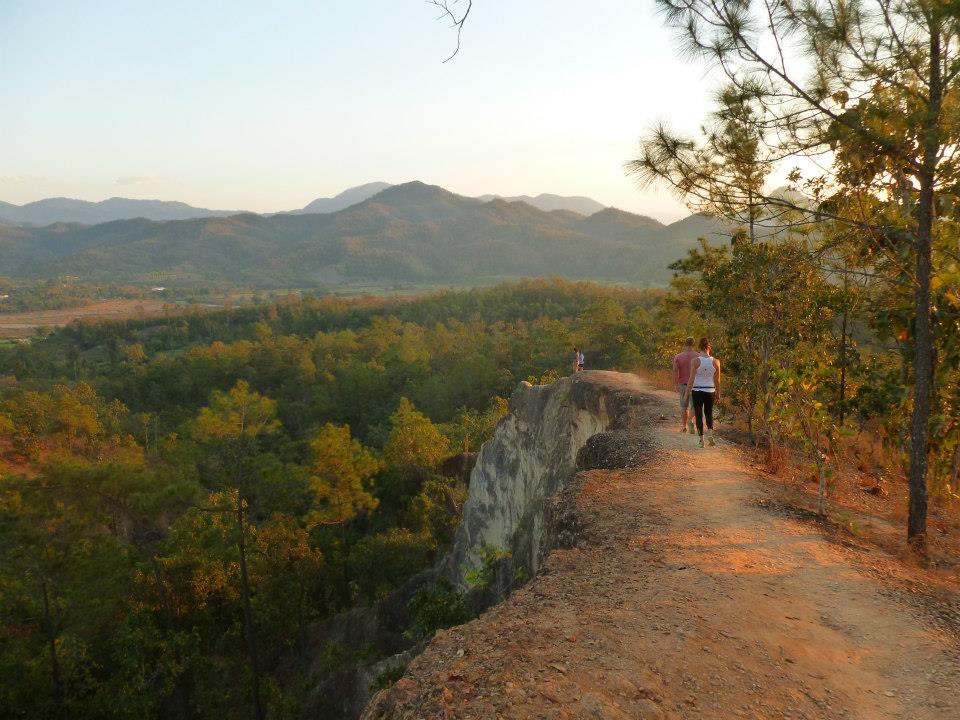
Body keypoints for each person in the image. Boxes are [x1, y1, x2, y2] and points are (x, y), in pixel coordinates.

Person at [684, 337, 721, 448]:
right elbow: (717, 380)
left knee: (699, 415)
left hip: (697, 390)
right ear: (709, 347)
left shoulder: (695, 361)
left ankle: (701, 441)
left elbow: (691, 379)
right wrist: (718, 393)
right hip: (710, 390)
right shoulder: (716, 362)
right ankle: (710, 435)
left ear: (699, 347)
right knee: (709, 413)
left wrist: (686, 393)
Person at [673, 337, 698, 433]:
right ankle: (690, 420)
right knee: (694, 406)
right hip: (695, 385)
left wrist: (675, 384)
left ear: (685, 344)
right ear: (694, 344)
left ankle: (684, 427)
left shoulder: (678, 356)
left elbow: (675, 371)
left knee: (684, 407)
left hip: (683, 384)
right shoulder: (698, 356)